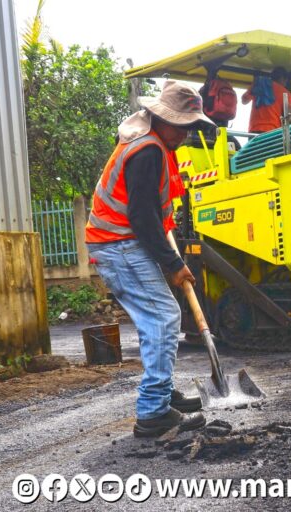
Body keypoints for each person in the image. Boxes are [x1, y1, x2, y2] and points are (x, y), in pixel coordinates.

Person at [86, 80, 215, 437]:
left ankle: (161, 393)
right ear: (160, 117)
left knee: (153, 320)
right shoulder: (147, 150)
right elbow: (142, 217)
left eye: (191, 127)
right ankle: (153, 412)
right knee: (163, 316)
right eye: (182, 125)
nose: (187, 134)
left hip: (120, 243)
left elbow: (151, 212)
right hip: (118, 244)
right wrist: (173, 265)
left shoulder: (154, 141)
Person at [241, 67, 291, 132]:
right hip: (272, 131)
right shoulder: (286, 93)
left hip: (254, 128)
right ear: (283, 79)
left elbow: (244, 101)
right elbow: (289, 117)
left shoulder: (259, 84)